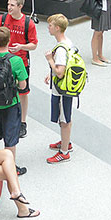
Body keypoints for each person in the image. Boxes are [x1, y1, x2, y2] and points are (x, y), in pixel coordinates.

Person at [0, 0, 38, 139]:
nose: (9, 8)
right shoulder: (3, 19)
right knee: (1, 90)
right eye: (8, 4)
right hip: (3, 63)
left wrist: (21, 47)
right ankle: (2, 119)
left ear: (20, 6)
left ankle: (22, 122)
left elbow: (34, 45)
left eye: (12, 5)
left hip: (21, 63)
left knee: (23, 92)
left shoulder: (28, 23)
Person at [44, 14, 79, 164]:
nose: (48, 27)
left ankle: (64, 152)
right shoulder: (67, 42)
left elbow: (60, 72)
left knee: (64, 119)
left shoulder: (60, 50)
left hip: (62, 91)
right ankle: (66, 141)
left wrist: (50, 60)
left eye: (50, 25)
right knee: (63, 116)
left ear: (57, 28)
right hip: (66, 88)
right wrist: (50, 72)